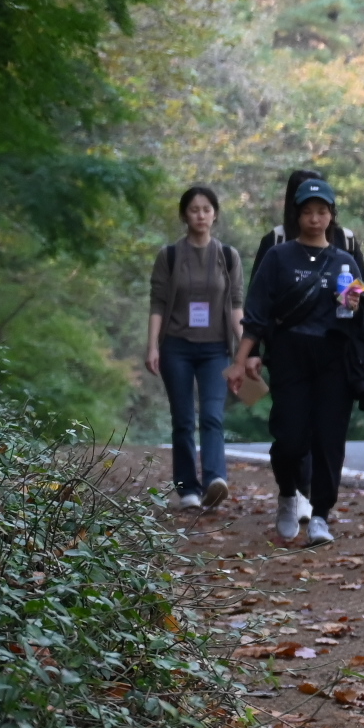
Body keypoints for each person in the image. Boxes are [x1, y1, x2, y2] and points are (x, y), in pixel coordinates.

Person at [239, 174, 364, 547]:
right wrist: (245, 357)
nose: (315, 218)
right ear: (297, 214)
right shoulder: (278, 256)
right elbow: (256, 311)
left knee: (329, 440)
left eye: (322, 211)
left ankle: (320, 515)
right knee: (290, 438)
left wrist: (354, 310)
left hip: (334, 357)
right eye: (308, 211)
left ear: (332, 215)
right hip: (289, 355)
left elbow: (360, 315)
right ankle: (287, 493)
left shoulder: (346, 260)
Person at [146, 184, 241, 510]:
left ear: (215, 214)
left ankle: (215, 481)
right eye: (194, 210)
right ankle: (187, 488)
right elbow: (158, 303)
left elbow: (237, 304)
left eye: (206, 209)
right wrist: (152, 346)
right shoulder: (169, 256)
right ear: (184, 215)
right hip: (176, 348)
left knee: (212, 416)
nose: (201, 215)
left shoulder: (228, 256)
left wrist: (247, 350)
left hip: (216, 349)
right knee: (184, 419)